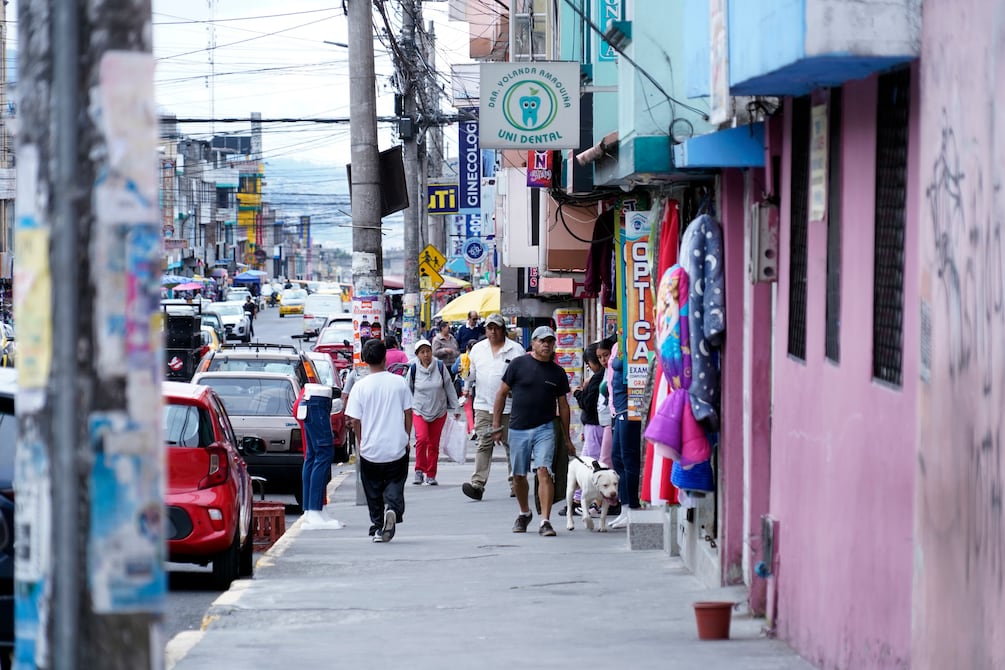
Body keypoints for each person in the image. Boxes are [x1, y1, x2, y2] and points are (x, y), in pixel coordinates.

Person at [491, 326, 573, 537]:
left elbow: (563, 406)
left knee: (544, 471)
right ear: (534, 343)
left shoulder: (558, 373)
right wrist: (496, 426)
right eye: (541, 341)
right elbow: (501, 394)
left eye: (550, 341)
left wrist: (567, 437)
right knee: (519, 476)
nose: (546, 345)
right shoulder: (519, 365)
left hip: (545, 428)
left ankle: (545, 521)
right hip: (518, 429)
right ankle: (524, 512)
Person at [344, 339, 413, 543]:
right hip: (396, 446)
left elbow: (355, 420)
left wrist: (361, 440)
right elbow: (408, 412)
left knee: (372, 489)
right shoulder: (399, 382)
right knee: (395, 483)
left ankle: (377, 525)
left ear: (365, 360)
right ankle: (392, 509)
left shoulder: (360, 386)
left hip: (370, 448)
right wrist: (406, 436)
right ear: (385, 358)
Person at [461, 313, 525, 501]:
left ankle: (516, 483)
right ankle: (477, 484)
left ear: (503, 329)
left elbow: (521, 377)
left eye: (496, 328)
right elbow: (470, 375)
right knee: (483, 443)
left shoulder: (515, 350)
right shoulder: (478, 349)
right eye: (489, 328)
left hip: (509, 406)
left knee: (511, 445)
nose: (493, 331)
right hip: (483, 404)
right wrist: (464, 378)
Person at [407, 339, 460, 486]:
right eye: (422, 352)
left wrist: (456, 406)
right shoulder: (413, 369)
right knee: (422, 439)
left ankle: (431, 474)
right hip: (419, 409)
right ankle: (419, 470)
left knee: (433, 444)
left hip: (439, 410)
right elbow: (406, 390)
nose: (426, 355)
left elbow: (449, 387)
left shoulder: (440, 367)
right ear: (417, 355)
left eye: (428, 351)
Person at [609, 341, 640, 529]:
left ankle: (634, 507)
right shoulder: (617, 344)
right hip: (618, 408)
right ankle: (625, 507)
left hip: (630, 407)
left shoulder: (635, 337)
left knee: (629, 458)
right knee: (617, 457)